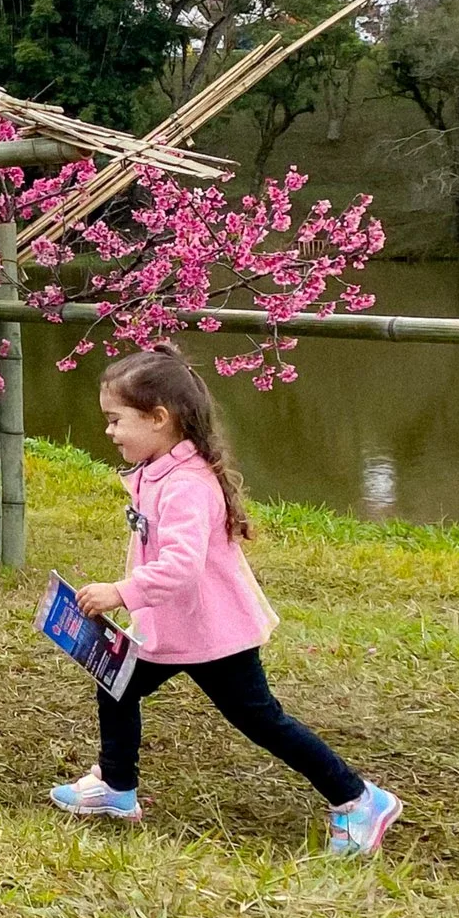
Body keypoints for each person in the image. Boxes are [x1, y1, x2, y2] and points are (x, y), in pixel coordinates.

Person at [49, 346, 402, 857]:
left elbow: (182, 566)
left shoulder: (186, 485)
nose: (109, 431)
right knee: (116, 684)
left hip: (214, 634)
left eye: (116, 420)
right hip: (170, 629)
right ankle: (117, 787)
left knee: (261, 720)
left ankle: (359, 799)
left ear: (158, 418)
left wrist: (121, 592)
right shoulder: (157, 469)